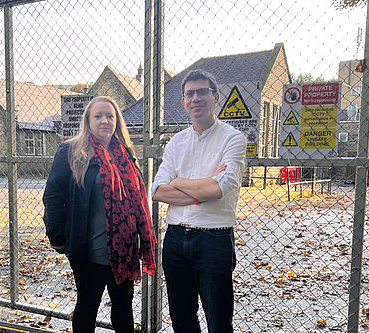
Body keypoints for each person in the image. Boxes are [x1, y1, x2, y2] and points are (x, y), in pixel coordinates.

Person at [43, 96, 157, 333]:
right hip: (88, 251)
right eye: (98, 116)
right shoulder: (71, 151)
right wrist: (58, 237)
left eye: (110, 116)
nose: (104, 120)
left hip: (124, 251)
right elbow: (53, 197)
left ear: (117, 121)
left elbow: (138, 202)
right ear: (88, 120)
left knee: (124, 308)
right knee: (87, 306)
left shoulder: (125, 154)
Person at [152, 70, 247, 333]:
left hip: (213, 240)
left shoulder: (233, 139)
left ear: (215, 96)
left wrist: (179, 182)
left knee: (218, 322)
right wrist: (201, 189)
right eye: (190, 93)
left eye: (202, 92)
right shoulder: (175, 143)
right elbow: (158, 191)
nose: (196, 98)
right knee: (182, 320)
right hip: (175, 239)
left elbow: (219, 189)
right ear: (183, 101)